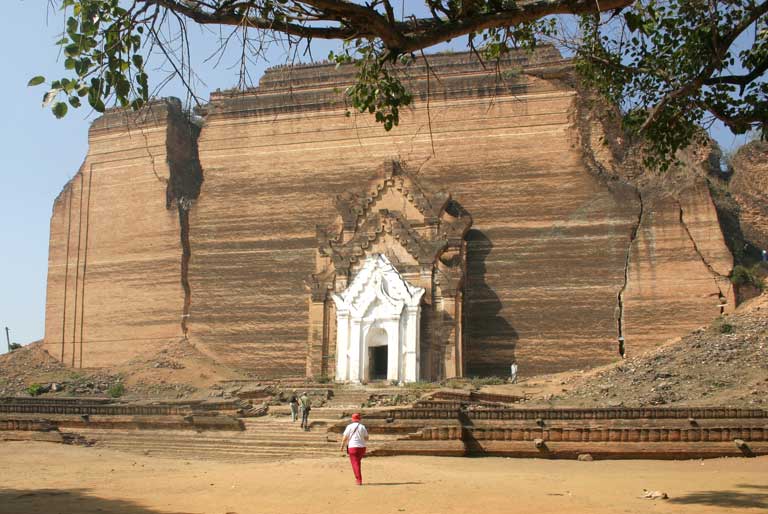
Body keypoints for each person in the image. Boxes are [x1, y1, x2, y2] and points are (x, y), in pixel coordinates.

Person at [340, 413, 369, 485]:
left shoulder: (349, 426)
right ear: (359, 419)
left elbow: (345, 437)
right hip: (362, 447)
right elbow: (366, 438)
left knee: (355, 463)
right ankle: (358, 478)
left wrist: (342, 446)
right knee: (357, 462)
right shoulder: (362, 427)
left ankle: (358, 479)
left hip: (353, 447)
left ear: (352, 419)